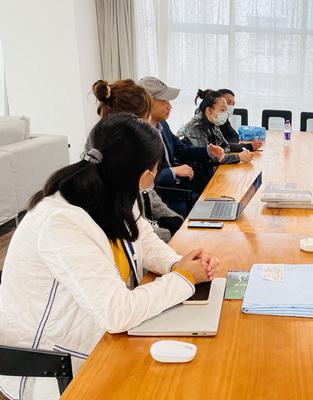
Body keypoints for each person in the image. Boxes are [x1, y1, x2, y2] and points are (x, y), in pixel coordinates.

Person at [0, 113, 219, 400]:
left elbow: (145, 239)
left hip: (104, 335)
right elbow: (116, 313)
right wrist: (184, 278)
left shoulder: (113, 190)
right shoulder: (59, 222)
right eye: (156, 170)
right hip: (54, 368)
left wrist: (176, 263)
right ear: (145, 175)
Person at [92, 79, 183, 242]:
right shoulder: (112, 166)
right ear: (136, 121)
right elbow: (131, 235)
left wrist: (172, 220)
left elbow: (147, 193)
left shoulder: (130, 149)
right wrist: (169, 232)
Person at [138, 76, 225, 216]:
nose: (170, 107)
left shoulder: (162, 125)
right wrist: (173, 172)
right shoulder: (137, 135)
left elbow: (182, 151)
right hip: (161, 199)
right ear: (147, 102)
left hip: (180, 190)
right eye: (164, 102)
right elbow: (141, 179)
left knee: (219, 202)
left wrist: (208, 151)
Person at [181, 89, 255, 165]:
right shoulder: (196, 127)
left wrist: (221, 156)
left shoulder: (213, 121)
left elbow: (226, 145)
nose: (225, 113)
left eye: (226, 110)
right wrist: (238, 157)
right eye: (222, 110)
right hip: (191, 168)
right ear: (209, 110)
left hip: (206, 167)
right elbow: (206, 157)